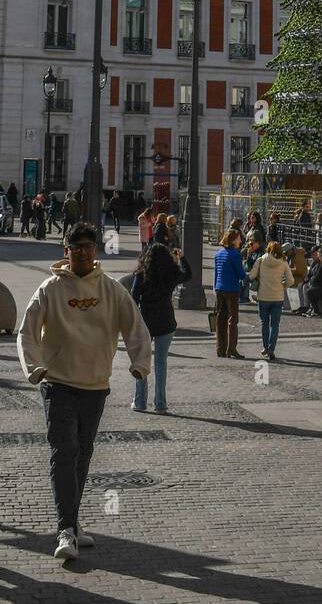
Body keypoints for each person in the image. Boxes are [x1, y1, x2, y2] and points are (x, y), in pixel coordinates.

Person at [16, 221, 152, 562]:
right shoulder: (49, 289)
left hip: (95, 385)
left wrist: (140, 363)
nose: (82, 252)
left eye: (87, 246)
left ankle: (73, 523)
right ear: (67, 250)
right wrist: (34, 367)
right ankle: (65, 528)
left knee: (82, 453)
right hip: (58, 383)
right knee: (64, 451)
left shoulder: (109, 289)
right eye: (75, 247)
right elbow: (27, 333)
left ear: (96, 250)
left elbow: (135, 326)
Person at [130, 243, 191, 413]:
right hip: (166, 322)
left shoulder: (141, 274)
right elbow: (188, 274)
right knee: (161, 363)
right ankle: (160, 404)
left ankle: (140, 402)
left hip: (145, 323)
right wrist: (182, 257)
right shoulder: (171, 274)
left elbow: (133, 298)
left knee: (142, 362)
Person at [248, 242, 294, 359]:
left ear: (268, 249)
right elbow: (291, 280)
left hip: (263, 296)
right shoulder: (283, 263)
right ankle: (271, 348)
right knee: (275, 325)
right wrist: (283, 286)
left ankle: (265, 347)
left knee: (264, 323)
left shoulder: (261, 260)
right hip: (278, 297)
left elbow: (252, 275)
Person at [213, 228, 247, 359]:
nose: (240, 240)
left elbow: (216, 273)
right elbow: (241, 274)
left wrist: (216, 287)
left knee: (220, 319)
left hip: (219, 288)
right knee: (232, 320)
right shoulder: (235, 254)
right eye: (238, 238)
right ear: (233, 240)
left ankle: (220, 348)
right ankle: (231, 348)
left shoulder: (219, 254)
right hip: (232, 289)